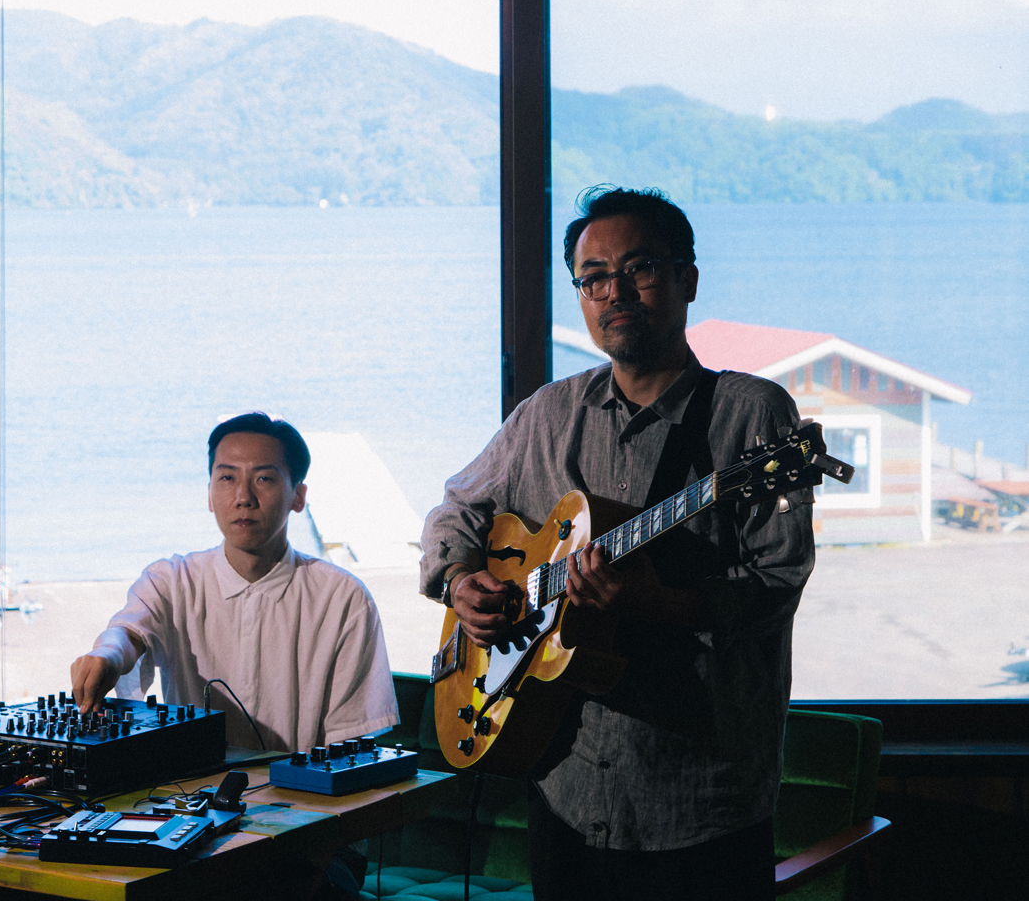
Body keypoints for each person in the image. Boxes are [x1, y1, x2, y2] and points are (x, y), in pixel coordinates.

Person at [420, 186, 814, 901]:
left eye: (640, 269)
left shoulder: (752, 416)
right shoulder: (546, 415)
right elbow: (457, 509)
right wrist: (458, 582)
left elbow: (776, 585)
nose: (615, 292)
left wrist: (659, 602)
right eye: (594, 277)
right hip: (562, 779)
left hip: (700, 798)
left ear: (687, 279)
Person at [71, 411, 399, 756]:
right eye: (227, 478)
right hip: (191, 785)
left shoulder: (343, 598)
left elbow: (351, 743)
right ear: (209, 495)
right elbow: (128, 633)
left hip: (300, 787)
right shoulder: (172, 579)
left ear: (298, 496)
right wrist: (106, 655)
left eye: (264, 479)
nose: (243, 497)